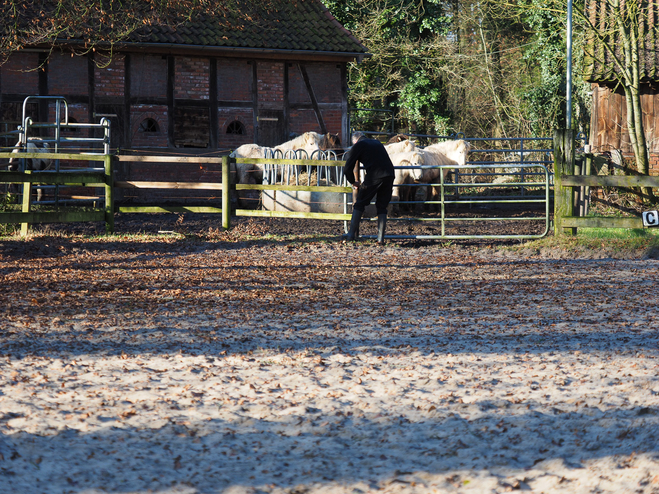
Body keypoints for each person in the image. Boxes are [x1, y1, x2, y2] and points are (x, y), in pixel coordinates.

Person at [343, 131, 395, 244]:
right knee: (382, 206)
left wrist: (353, 182)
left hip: (375, 176)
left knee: (360, 203)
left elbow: (347, 169)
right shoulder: (377, 142)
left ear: (355, 141)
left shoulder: (359, 145)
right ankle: (380, 239)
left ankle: (350, 236)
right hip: (390, 174)